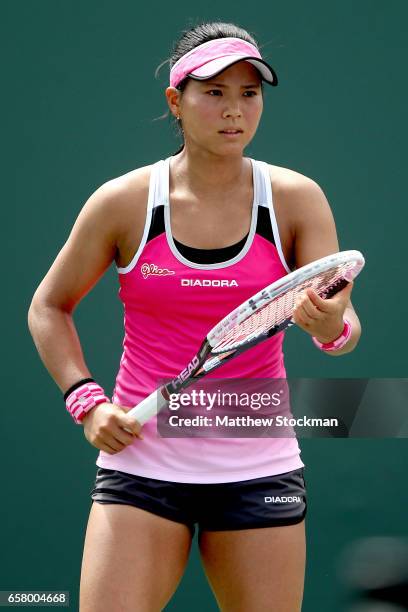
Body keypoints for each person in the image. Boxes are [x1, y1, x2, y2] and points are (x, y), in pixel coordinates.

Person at [28, 21, 361, 612]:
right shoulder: (124, 202)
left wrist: (327, 325)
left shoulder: (296, 199)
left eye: (249, 94)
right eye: (214, 92)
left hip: (260, 470)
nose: (234, 110)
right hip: (142, 472)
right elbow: (48, 307)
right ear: (175, 101)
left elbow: (342, 328)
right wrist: (86, 400)